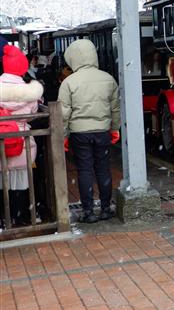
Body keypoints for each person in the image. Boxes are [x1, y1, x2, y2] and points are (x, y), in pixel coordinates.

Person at [58, 39, 120, 223]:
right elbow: (115, 108)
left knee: (84, 170)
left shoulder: (69, 82)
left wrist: (64, 135)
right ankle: (106, 208)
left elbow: (63, 114)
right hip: (102, 132)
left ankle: (88, 211)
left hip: (79, 133)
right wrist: (115, 129)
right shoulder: (108, 78)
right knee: (103, 169)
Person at [0, 44, 44, 227]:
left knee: (2, 179)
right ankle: (22, 216)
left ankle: (4, 218)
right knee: (22, 179)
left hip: (1, 141)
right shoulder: (30, 93)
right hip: (22, 141)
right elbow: (33, 114)